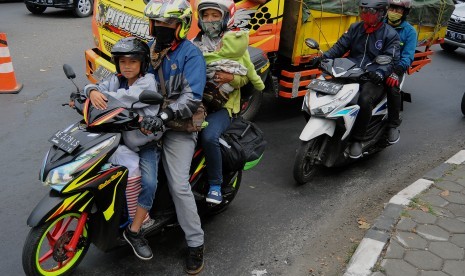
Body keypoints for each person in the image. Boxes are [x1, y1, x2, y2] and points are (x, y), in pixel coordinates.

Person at [81, 37, 162, 260]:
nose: (127, 66)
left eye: (133, 62)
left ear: (142, 64)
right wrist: (89, 91)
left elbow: (120, 99)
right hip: (120, 139)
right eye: (122, 61)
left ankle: (136, 228)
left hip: (145, 144)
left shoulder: (147, 84)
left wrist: (94, 95)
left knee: (149, 182)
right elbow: (98, 86)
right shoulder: (117, 79)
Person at [142, 0, 207, 274]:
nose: (161, 28)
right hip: (147, 122)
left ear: (180, 26)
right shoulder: (149, 50)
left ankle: (196, 243)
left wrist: (165, 117)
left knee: (179, 185)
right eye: (158, 23)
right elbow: (126, 78)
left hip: (178, 126)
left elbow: (192, 97)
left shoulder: (191, 54)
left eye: (168, 24)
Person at [192, 0, 265, 204]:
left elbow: (244, 77)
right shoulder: (195, 43)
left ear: (226, 17)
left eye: (215, 16)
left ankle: (215, 183)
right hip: (196, 103)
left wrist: (230, 78)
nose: (210, 20)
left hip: (222, 107)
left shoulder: (233, 42)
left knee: (208, 137)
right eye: (205, 16)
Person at [318, 0, 400, 158]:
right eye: (362, 10)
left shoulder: (390, 34)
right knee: (328, 89)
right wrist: (324, 57)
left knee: (364, 99)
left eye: (369, 11)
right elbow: (340, 46)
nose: (365, 14)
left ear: (381, 13)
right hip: (351, 71)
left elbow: (390, 58)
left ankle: (357, 139)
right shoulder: (356, 28)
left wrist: (380, 72)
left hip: (373, 76)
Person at [384, 0, 417, 144]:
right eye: (392, 8)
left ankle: (393, 124)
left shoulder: (409, 31)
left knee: (392, 89)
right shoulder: (379, 24)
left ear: (405, 13)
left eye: (398, 10)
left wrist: (396, 72)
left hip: (395, 68)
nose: (394, 12)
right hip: (375, 65)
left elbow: (408, 56)